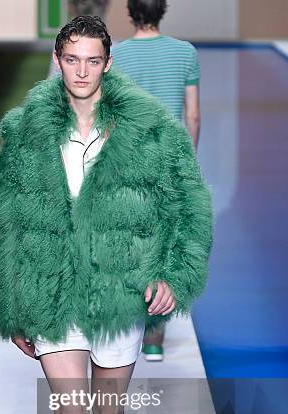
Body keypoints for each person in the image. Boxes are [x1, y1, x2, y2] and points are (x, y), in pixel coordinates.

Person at [0, 15, 213, 414]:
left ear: (108, 63)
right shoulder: (25, 132)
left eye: (93, 60)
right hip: (54, 288)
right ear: (58, 62)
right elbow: (8, 223)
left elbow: (186, 205)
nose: (82, 71)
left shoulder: (148, 130)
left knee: (107, 411)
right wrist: (13, 303)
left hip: (120, 288)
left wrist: (171, 273)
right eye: (72, 59)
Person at [112, 0, 202, 362]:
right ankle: (154, 337)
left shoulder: (117, 55)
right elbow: (192, 115)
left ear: (131, 12)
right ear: (162, 11)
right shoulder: (185, 53)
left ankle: (128, 320)